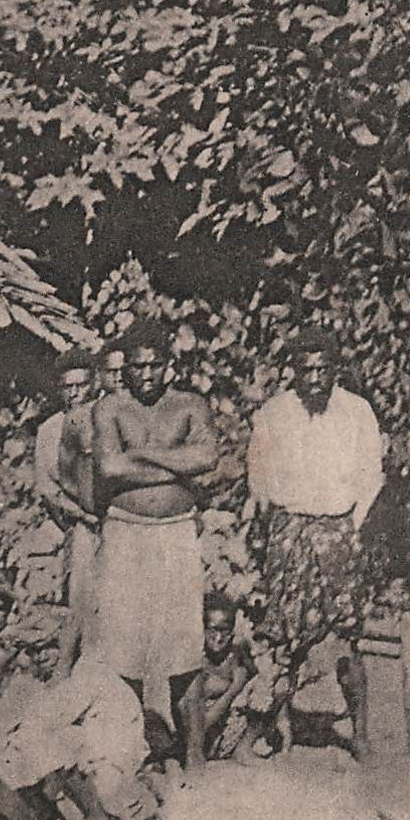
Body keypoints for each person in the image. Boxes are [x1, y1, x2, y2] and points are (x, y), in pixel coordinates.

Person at [246, 327, 384, 760]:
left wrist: (348, 526)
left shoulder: (357, 412)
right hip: (289, 530)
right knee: (285, 639)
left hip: (338, 531)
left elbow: (371, 476)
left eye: (324, 369)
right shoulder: (273, 414)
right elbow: (259, 478)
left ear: (336, 369)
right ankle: (281, 730)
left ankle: (359, 734)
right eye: (307, 371)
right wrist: (281, 529)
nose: (316, 379)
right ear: (294, 372)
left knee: (348, 639)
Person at [90, 320, 219, 774]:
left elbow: (207, 457)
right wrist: (176, 467)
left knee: (184, 648)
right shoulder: (110, 408)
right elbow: (108, 468)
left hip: (177, 534)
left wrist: (143, 457)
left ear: (169, 366)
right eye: (138, 367)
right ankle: (132, 748)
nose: (147, 375)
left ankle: (194, 752)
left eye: (155, 366)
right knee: (124, 645)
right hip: (126, 532)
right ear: (125, 369)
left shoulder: (190, 404)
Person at [0, 606, 157, 820]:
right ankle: (68, 817)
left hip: (112, 771)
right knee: (6, 768)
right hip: (84, 773)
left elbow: (46, 721)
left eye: (50, 647)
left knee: (39, 738)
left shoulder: (88, 672)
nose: (41, 656)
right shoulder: (41, 677)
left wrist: (66, 654)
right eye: (33, 650)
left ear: (68, 643)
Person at [35, 348, 100, 608]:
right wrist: (81, 518)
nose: (74, 394)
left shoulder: (106, 418)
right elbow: (48, 489)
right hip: (73, 524)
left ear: (94, 383)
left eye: (81, 385)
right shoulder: (49, 430)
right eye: (67, 387)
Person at [193, 591, 255, 762]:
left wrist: (236, 686)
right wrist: (233, 689)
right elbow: (199, 720)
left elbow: (246, 679)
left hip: (225, 732)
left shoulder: (234, 656)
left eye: (225, 631)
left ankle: (244, 748)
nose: (219, 638)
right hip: (196, 734)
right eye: (213, 630)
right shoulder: (196, 659)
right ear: (203, 629)